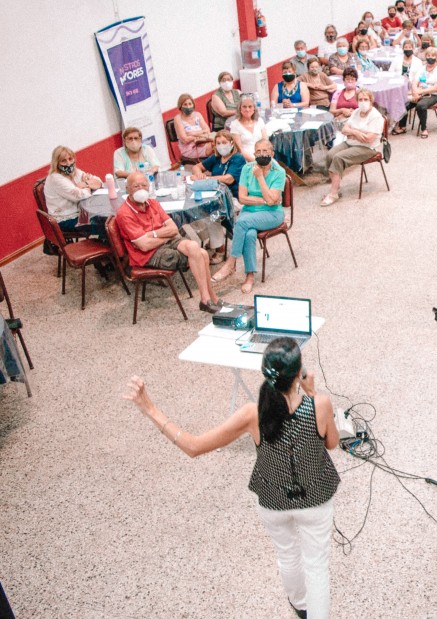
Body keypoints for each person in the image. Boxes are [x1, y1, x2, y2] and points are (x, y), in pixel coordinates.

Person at [122, 338, 340, 619]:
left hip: (273, 502)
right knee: (316, 567)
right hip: (316, 499)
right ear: (300, 373)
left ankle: (300, 605)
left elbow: (193, 446)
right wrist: (311, 393)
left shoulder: (252, 413)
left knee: (287, 554)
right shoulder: (320, 405)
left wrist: (150, 408)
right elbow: (332, 443)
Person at [115, 172, 221, 311]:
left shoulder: (153, 203)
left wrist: (152, 234)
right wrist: (166, 236)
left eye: (144, 185)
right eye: (136, 186)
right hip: (147, 256)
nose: (141, 189)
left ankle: (208, 299)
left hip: (163, 242)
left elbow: (173, 229)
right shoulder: (124, 213)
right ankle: (208, 299)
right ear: (127, 189)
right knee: (202, 254)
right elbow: (144, 246)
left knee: (193, 246)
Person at [212, 140, 287, 294]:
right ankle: (250, 276)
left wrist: (260, 177)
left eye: (265, 151)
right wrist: (264, 200)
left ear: (272, 154)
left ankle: (231, 262)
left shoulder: (279, 171)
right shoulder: (247, 168)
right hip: (250, 211)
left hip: (272, 214)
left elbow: (272, 202)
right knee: (249, 233)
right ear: (254, 153)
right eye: (258, 151)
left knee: (242, 222)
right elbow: (242, 198)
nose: (262, 154)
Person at [321, 90, 384, 207]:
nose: (363, 102)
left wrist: (352, 133)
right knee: (330, 155)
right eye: (360, 99)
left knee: (338, 158)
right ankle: (337, 186)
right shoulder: (356, 112)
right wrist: (356, 133)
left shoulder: (376, 117)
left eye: (366, 99)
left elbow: (369, 139)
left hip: (367, 148)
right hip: (351, 142)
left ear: (371, 101)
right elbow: (344, 130)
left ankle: (333, 193)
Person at [44, 145, 103, 234]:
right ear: (56, 163)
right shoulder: (55, 178)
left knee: (106, 219)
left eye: (70, 159)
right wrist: (89, 186)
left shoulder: (75, 171)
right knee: (105, 227)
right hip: (65, 220)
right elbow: (78, 196)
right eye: (63, 161)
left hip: (81, 213)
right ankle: (105, 241)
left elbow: (99, 181)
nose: (68, 163)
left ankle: (105, 241)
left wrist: (85, 184)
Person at [394, 47, 437, 138]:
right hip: (420, 93)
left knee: (421, 105)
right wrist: (415, 92)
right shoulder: (422, 68)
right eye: (428, 55)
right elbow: (415, 82)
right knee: (403, 102)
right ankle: (402, 126)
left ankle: (424, 129)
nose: (430, 57)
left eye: (433, 56)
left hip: (434, 95)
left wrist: (420, 91)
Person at [194, 131, 246, 199]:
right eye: (218, 143)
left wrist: (206, 179)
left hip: (232, 196)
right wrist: (199, 175)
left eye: (224, 143)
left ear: (232, 143)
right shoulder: (216, 157)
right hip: (216, 193)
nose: (221, 146)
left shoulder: (238, 158)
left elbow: (228, 179)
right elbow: (196, 167)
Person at [173, 94, 214, 161]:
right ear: (180, 106)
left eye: (190, 104)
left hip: (203, 142)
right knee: (215, 147)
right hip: (189, 148)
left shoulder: (198, 114)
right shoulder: (178, 118)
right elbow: (185, 140)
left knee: (219, 143)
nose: (188, 106)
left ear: (193, 104)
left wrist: (193, 133)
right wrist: (202, 134)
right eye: (185, 104)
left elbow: (207, 130)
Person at [229, 95, 268, 162]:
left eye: (250, 106)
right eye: (244, 107)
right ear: (240, 108)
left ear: (254, 108)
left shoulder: (259, 121)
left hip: (263, 156)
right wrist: (256, 161)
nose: (247, 109)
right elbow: (240, 150)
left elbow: (266, 142)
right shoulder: (235, 125)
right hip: (245, 159)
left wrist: (264, 158)